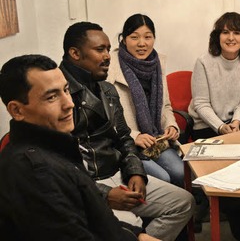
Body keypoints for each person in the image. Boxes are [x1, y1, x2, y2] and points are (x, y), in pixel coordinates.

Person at [59, 21, 194, 241]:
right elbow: (62, 166)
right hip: (91, 183)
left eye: (107, 48)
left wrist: (135, 172)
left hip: (120, 168)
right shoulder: (62, 96)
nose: (107, 55)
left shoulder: (105, 88)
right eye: (99, 50)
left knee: (184, 201)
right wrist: (103, 194)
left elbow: (122, 137)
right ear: (74, 53)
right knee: (132, 224)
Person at [0, 54, 158, 241]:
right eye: (51, 97)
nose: (69, 104)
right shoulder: (35, 172)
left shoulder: (56, 146)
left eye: (66, 90)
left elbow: (94, 216)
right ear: (17, 110)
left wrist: (136, 235)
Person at [107, 14, 183, 187]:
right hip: (127, 144)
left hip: (155, 140)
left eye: (147, 37)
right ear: (124, 39)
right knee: (163, 178)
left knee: (180, 172)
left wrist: (171, 126)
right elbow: (107, 116)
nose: (142, 43)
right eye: (134, 37)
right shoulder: (111, 66)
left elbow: (165, 106)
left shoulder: (157, 64)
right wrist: (134, 136)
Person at [189, 12, 240, 140]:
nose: (231, 38)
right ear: (218, 36)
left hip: (236, 123)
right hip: (207, 125)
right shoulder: (203, 62)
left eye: (237, 33)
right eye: (225, 32)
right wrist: (220, 127)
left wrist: (236, 122)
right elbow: (201, 103)